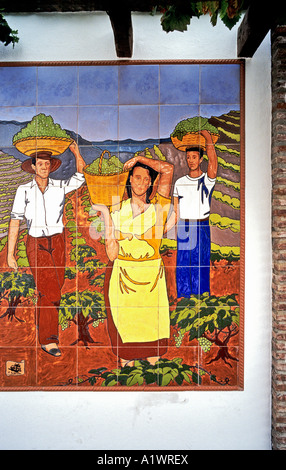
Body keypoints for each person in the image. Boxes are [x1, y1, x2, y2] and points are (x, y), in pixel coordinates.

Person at [92, 155, 174, 367]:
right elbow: (111, 254)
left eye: (146, 179)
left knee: (151, 323)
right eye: (137, 178)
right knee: (124, 323)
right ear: (129, 180)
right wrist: (105, 214)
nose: (142, 183)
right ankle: (127, 358)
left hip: (152, 275)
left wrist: (139, 158)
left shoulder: (159, 207)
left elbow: (168, 168)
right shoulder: (117, 210)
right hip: (123, 276)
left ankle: (152, 357)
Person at [7, 141, 86, 357]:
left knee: (53, 290)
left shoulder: (60, 187)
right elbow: (15, 221)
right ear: (33, 167)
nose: (43, 167)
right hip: (36, 244)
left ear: (52, 166)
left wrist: (77, 152)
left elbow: (81, 175)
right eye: (40, 164)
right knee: (51, 291)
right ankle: (49, 340)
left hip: (58, 242)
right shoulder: (23, 190)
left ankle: (46, 338)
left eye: (47, 164)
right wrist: (10, 253)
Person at [165, 129, 218, 297]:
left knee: (200, 263)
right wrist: (164, 229)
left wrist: (208, 138)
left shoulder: (207, 180)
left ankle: (201, 299)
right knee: (183, 264)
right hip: (184, 226)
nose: (191, 160)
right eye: (188, 157)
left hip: (201, 226)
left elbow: (213, 163)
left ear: (201, 159)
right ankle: (184, 300)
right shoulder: (180, 183)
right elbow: (176, 211)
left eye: (194, 157)